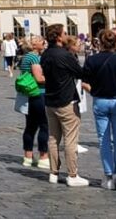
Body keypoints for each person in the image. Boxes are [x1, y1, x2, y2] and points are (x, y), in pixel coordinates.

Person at [82, 29, 116, 191]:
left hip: (100, 101)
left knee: (103, 140)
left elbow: (84, 81)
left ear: (100, 42)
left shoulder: (92, 60)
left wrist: (95, 91)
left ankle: (108, 177)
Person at [41, 24, 88, 187]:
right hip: (66, 100)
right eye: (65, 32)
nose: (67, 34)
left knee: (53, 138)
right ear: (59, 37)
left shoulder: (45, 54)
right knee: (70, 139)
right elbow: (81, 73)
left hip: (50, 100)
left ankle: (53, 173)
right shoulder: (65, 55)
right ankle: (72, 174)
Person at [18, 35, 50, 169]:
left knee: (30, 126)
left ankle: (28, 156)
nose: (45, 44)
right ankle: (43, 157)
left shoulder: (26, 57)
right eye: (43, 42)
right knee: (44, 125)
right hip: (38, 93)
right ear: (35, 45)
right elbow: (39, 78)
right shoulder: (34, 57)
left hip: (28, 95)